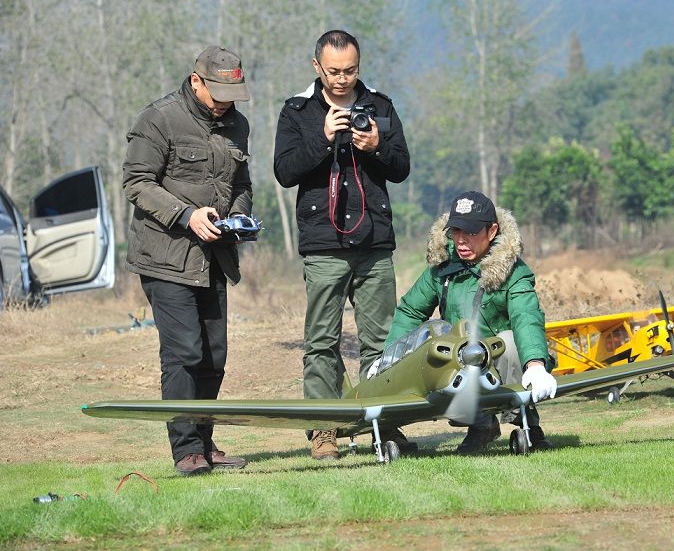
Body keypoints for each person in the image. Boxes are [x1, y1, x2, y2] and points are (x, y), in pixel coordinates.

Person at [273, 30, 411, 460]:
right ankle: (323, 430)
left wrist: (376, 146)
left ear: (359, 65)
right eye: (333, 71)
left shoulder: (381, 106)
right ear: (317, 66)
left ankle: (383, 425)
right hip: (324, 244)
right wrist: (323, 137)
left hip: (374, 241)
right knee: (321, 341)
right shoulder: (297, 111)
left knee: (382, 341)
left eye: (350, 70)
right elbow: (284, 172)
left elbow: (402, 167)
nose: (341, 79)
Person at [122, 45, 253, 476]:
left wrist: (238, 215)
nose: (225, 102)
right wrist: (185, 214)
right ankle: (186, 451)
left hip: (214, 256)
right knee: (183, 353)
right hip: (166, 256)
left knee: (214, 355)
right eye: (217, 92)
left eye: (231, 93)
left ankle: (205, 441)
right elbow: (137, 183)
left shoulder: (238, 125)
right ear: (196, 81)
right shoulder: (159, 119)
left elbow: (241, 182)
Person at [383, 191, 557, 454]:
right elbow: (409, 311)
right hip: (459, 358)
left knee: (510, 342)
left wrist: (535, 364)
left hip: (498, 356)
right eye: (455, 231)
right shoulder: (442, 268)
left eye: (472, 232)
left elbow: (526, 317)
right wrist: (388, 359)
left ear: (492, 231)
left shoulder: (515, 272)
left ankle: (528, 423)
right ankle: (482, 426)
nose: (461, 240)